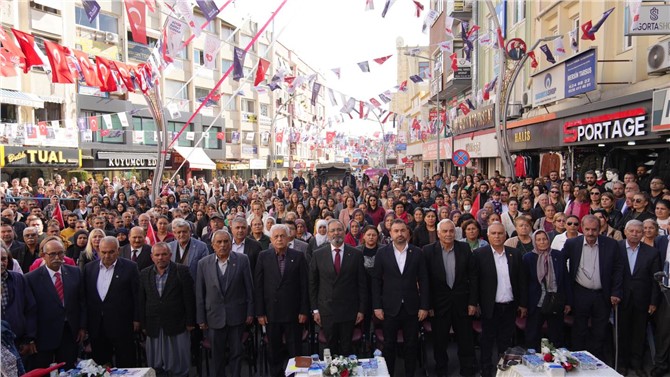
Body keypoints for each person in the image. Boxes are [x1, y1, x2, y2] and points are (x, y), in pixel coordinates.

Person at [372, 219, 429, 377]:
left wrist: (424, 306)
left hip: (412, 307)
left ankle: (410, 373)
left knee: (411, 344)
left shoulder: (417, 252)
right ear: (390, 233)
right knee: (389, 345)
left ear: (408, 233)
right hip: (390, 307)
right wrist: (377, 306)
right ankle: (388, 373)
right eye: (396, 231)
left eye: (402, 230)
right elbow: (376, 280)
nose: (399, 234)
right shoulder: (382, 253)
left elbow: (424, 280)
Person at [563, 215, 622, 363]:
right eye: (587, 229)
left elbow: (618, 269)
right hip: (580, 292)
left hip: (603, 294)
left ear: (599, 229)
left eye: (594, 230)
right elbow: (559, 262)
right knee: (579, 329)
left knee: (599, 330)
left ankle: (595, 361)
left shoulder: (611, 244)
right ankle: (576, 361)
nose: (590, 233)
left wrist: (616, 292)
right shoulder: (572, 244)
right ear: (582, 228)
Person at [471, 222, 527, 377]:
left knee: (506, 341)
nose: (497, 236)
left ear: (505, 235)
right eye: (493, 233)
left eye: (500, 233)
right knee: (487, 341)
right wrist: (474, 303)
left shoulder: (514, 254)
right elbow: (475, 281)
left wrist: (522, 304)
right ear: (488, 236)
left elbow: (521, 281)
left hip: (509, 306)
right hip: (490, 306)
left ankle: (504, 371)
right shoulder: (479, 254)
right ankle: (486, 370)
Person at [196, 230, 254, 377]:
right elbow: (200, 294)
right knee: (217, 355)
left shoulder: (242, 260)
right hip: (213, 317)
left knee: (236, 353)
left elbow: (249, 289)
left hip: (237, 316)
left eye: (226, 241)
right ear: (213, 245)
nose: (223, 245)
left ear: (230, 243)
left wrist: (249, 312)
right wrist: (201, 318)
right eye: (219, 242)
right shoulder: (203, 264)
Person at [423, 219, 476, 377]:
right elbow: (425, 281)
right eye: (444, 231)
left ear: (456, 232)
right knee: (440, 342)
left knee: (466, 340)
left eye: (451, 231)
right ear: (438, 233)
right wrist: (428, 305)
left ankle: (467, 370)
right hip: (439, 305)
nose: (448, 234)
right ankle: (441, 370)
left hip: (462, 303)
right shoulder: (427, 251)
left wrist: (473, 302)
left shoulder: (464, 248)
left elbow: (473, 277)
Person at [255, 224, 309, 377]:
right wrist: (260, 313)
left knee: (295, 351)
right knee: (274, 351)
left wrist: (304, 310)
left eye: (282, 236)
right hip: (271, 313)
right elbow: (258, 286)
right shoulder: (263, 256)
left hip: (293, 313)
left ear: (288, 237)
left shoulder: (298, 256)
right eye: (276, 236)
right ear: (271, 239)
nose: (279, 239)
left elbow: (304, 285)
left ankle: (297, 375)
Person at [25, 237, 85, 369]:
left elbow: (81, 302)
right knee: (43, 369)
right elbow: (29, 309)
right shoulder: (31, 278)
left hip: (70, 333)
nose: (57, 257)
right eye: (52, 254)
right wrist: (30, 338)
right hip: (44, 334)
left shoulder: (75, 272)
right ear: (43, 256)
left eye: (60, 253)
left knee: (68, 369)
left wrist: (82, 327)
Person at [309, 219, 367, 357]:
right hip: (326, 310)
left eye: (339, 230)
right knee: (330, 348)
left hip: (349, 309)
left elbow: (362, 284)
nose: (336, 233)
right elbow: (313, 284)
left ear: (344, 232)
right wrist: (315, 310)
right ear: (328, 234)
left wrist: (361, 309)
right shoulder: (318, 254)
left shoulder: (356, 254)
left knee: (347, 348)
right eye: (333, 230)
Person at [138, 242, 195, 377]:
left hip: (177, 323)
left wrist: (190, 321)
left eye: (164, 254)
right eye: (157, 255)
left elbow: (189, 298)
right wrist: (143, 324)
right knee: (156, 363)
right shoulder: (145, 273)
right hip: (154, 324)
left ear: (170, 255)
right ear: (152, 257)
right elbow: (142, 300)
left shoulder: (182, 271)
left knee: (179, 362)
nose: (160, 258)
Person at [83, 236, 140, 367]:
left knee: (126, 362)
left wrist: (137, 319)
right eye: (103, 252)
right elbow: (85, 296)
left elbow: (136, 295)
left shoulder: (130, 267)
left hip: (122, 324)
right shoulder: (89, 268)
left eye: (111, 252)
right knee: (101, 364)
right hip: (97, 325)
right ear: (98, 251)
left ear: (118, 251)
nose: (107, 255)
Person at [616, 220, 660, 377]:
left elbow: (656, 280)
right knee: (622, 332)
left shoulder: (652, 252)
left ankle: (637, 365)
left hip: (642, 299)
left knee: (639, 334)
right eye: (632, 231)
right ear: (626, 232)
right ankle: (622, 364)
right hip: (621, 298)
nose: (635, 234)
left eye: (638, 231)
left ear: (643, 233)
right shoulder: (617, 247)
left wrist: (653, 302)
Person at [522, 230, 571, 350]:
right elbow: (524, 283)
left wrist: (569, 302)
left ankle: (556, 361)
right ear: (534, 242)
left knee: (556, 335)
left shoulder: (558, 256)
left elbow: (565, 279)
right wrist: (523, 304)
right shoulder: (528, 258)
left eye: (544, 239)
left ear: (548, 240)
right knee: (532, 335)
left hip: (555, 301)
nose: (542, 242)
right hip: (536, 301)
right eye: (538, 240)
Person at [1, 246, 36, 356]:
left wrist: (28, 339)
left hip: (17, 341)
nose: (1, 263)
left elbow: (30, 309)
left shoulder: (18, 279)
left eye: (3, 259)